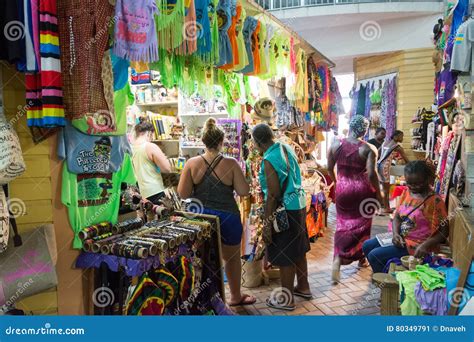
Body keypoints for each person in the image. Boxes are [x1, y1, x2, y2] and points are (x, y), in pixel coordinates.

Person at [177, 118, 256, 307]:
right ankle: (235, 296)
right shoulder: (231, 164)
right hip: (228, 216)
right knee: (232, 259)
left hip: (201, 217)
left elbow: (183, 193)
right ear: (222, 142)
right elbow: (244, 191)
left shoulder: (192, 163)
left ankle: (205, 298)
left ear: (203, 142)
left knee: (202, 258)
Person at [252, 123, 311, 311]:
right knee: (298, 248)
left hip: (284, 209)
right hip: (299, 204)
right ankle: (303, 286)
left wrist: (268, 222)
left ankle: (287, 299)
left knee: (285, 254)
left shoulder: (269, 158)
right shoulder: (285, 147)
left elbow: (273, 194)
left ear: (257, 142)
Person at [362, 161, 448, 273]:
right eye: (409, 183)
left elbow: (444, 231)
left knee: (375, 256)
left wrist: (425, 245)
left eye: (418, 183)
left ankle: (387, 282)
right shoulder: (407, 193)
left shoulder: (435, 201)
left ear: (428, 180)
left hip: (419, 245)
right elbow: (397, 217)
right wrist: (396, 234)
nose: (413, 187)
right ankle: (384, 277)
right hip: (402, 238)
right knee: (367, 245)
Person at [327, 115, 382, 284]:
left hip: (343, 189)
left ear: (350, 126)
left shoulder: (336, 144)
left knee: (342, 224)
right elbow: (372, 174)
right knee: (363, 226)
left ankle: (338, 257)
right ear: (365, 131)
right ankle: (361, 258)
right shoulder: (369, 148)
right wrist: (379, 193)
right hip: (363, 192)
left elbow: (329, 168)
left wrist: (338, 183)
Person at [131, 118, 172, 203]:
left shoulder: (130, 148)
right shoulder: (150, 146)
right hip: (154, 191)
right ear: (149, 133)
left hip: (139, 192)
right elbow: (167, 169)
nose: (152, 139)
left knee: (144, 215)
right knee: (159, 215)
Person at [378, 130, 410, 213]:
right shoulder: (397, 147)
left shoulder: (385, 143)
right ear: (395, 136)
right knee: (386, 189)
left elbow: (377, 153)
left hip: (379, 166)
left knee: (383, 188)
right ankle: (386, 208)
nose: (402, 138)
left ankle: (385, 206)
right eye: (401, 136)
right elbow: (407, 160)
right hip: (385, 168)